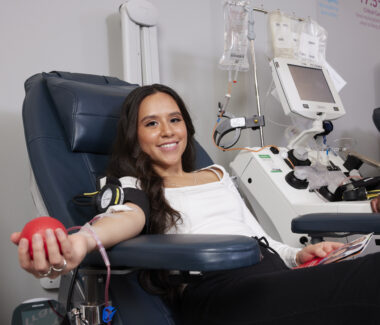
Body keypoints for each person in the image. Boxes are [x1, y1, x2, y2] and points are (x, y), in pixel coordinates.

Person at [11, 84, 380, 324]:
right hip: (221, 295)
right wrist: (78, 243)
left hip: (270, 276)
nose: (168, 130)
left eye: (174, 120)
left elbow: (253, 234)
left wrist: (297, 256)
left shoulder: (216, 173)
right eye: (151, 124)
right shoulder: (134, 184)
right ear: (135, 137)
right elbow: (127, 217)